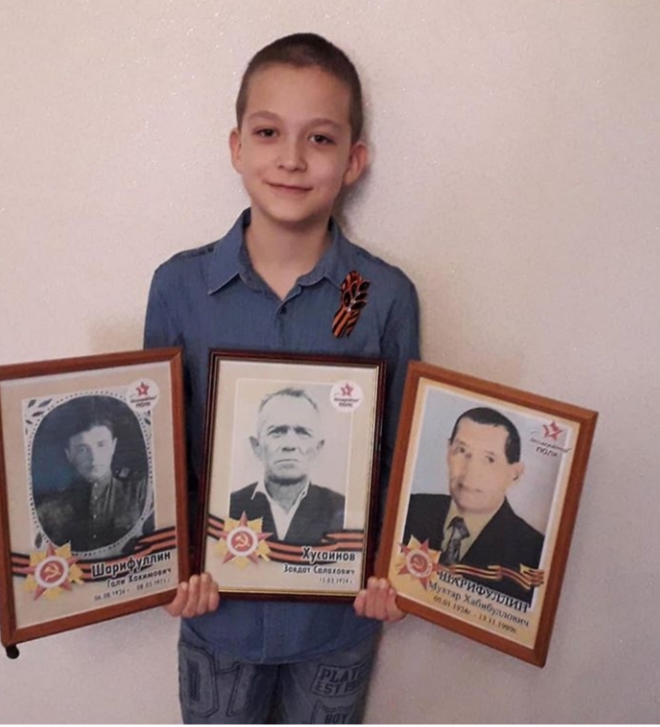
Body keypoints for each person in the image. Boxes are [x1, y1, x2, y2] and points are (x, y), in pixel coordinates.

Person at [144, 32, 419, 723]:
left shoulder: (385, 297)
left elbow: (399, 457)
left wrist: (398, 572)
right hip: (219, 619)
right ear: (237, 146)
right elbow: (160, 457)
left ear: (353, 160)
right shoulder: (178, 287)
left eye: (319, 139)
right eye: (269, 132)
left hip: (335, 624)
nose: (291, 158)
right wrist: (164, 566)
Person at [403, 407, 544, 603]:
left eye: (489, 459)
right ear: (448, 451)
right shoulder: (409, 509)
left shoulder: (535, 552)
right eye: (462, 451)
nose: (470, 471)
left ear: (515, 474)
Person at [230, 387, 344, 544]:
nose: (290, 445)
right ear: (256, 446)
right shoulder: (229, 506)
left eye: (303, 432)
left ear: (317, 448)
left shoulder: (341, 509)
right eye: (277, 431)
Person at [34, 405, 151, 554]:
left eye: (101, 445)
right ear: (69, 454)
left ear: (113, 446)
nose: (94, 458)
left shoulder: (141, 492)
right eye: (82, 449)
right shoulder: (47, 511)